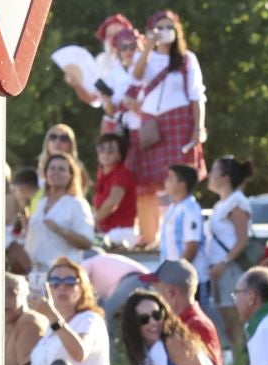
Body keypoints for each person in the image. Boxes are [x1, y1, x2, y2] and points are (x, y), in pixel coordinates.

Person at [124, 9, 205, 247]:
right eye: (160, 27)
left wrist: (198, 127)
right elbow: (136, 79)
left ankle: (175, 232)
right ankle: (152, 236)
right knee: (149, 182)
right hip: (151, 123)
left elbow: (196, 96)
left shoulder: (186, 59)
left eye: (170, 27)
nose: (165, 32)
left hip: (178, 121)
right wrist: (148, 46)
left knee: (175, 178)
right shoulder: (145, 57)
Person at [119, 284, 222, 365]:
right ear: (134, 326)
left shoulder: (174, 342)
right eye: (144, 319)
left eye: (157, 315)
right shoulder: (147, 351)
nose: (153, 322)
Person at [19, 257, 112, 365]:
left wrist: (52, 316)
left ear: (82, 288)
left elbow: (80, 352)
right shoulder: (51, 327)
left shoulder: (90, 319)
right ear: (48, 288)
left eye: (69, 282)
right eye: (55, 282)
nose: (62, 287)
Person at [200, 155, 253, 352]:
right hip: (220, 271)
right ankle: (239, 361)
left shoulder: (237, 202)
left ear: (226, 177)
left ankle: (242, 362)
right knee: (228, 322)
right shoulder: (222, 203)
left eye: (214, 171)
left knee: (235, 319)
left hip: (230, 270)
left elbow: (242, 240)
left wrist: (223, 262)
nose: (209, 175)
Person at [143, 257, 221, 365]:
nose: (153, 296)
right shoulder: (183, 323)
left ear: (170, 292)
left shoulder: (196, 326)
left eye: (155, 290)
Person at [24, 152, 95, 273]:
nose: (56, 172)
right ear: (46, 173)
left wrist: (60, 230)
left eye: (61, 169)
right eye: (52, 168)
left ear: (71, 176)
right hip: (33, 271)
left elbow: (87, 242)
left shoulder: (77, 204)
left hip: (60, 274)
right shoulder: (41, 202)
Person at [3, 273, 50, 365]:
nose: (4, 299)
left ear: (24, 294)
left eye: (11, 293)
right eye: (0, 292)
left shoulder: (28, 322)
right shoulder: (5, 323)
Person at [93, 131, 140, 250]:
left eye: (111, 150)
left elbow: (113, 201)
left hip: (121, 232)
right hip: (108, 232)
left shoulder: (122, 174)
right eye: (102, 148)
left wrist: (90, 222)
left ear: (120, 155)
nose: (106, 153)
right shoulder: (102, 175)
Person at [155, 161, 202, 268]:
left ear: (182, 184)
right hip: (172, 275)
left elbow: (192, 246)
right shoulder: (174, 207)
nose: (166, 181)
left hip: (185, 278)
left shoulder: (190, 209)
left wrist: (179, 272)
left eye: (171, 178)